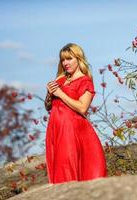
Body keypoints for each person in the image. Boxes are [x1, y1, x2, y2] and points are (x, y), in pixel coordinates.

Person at [44, 43, 107, 184]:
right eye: (63, 60)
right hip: (55, 129)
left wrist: (60, 94)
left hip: (72, 130)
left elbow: (82, 108)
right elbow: (49, 106)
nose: (65, 63)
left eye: (69, 59)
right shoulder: (59, 80)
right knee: (58, 168)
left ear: (78, 59)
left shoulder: (85, 81)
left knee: (67, 169)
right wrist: (49, 94)